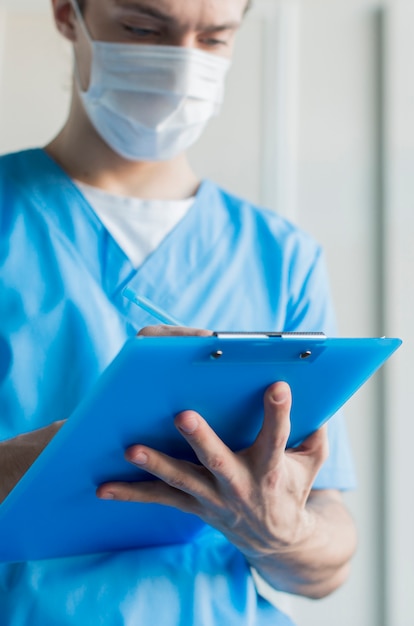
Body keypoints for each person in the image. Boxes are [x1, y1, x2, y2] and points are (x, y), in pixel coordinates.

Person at [0, 0, 357, 624]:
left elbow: (329, 555)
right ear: (67, 13)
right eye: (143, 28)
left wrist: (280, 532)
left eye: (214, 38)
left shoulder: (280, 255)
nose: (181, 62)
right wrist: (63, 460)